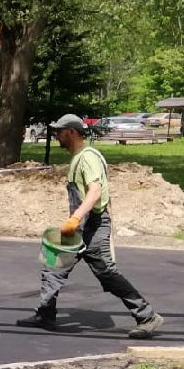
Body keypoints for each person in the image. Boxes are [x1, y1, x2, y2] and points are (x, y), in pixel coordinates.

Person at [17, 114, 164, 338]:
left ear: (72, 132)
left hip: (93, 225)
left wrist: (75, 218)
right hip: (80, 226)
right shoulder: (79, 157)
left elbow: (95, 191)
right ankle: (45, 314)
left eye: (60, 131)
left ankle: (148, 317)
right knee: (53, 266)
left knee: (107, 274)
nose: (57, 135)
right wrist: (76, 221)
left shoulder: (88, 157)